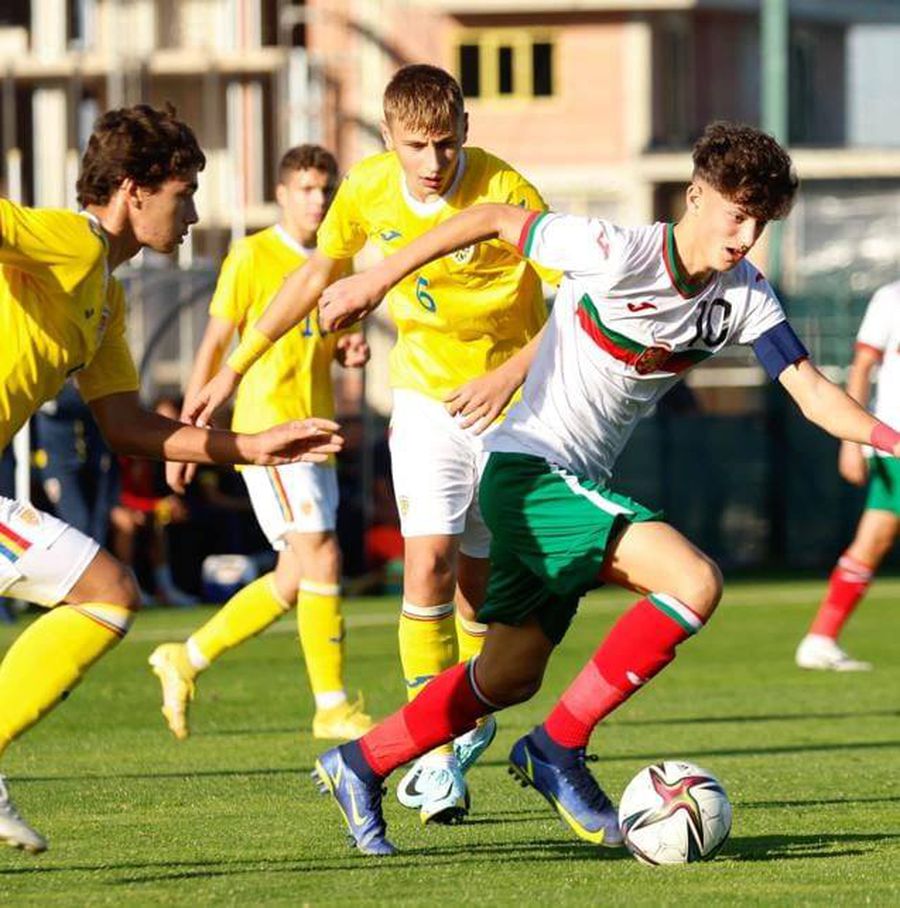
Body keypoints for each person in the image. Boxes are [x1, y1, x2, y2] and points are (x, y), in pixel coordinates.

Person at [308, 121, 900, 857]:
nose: (745, 236)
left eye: (761, 222)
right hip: (529, 473)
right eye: (736, 213)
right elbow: (490, 218)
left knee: (509, 672)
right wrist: (372, 278)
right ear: (695, 196)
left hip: (571, 484)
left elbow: (811, 392)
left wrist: (892, 441)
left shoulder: (744, 294)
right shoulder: (615, 251)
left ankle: (358, 764)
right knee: (694, 580)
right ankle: (558, 748)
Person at [186, 65, 557, 824]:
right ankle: (432, 750)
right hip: (423, 400)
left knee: (481, 595)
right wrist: (232, 370)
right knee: (426, 559)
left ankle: (471, 710)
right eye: (416, 145)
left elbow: (577, 294)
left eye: (445, 142)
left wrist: (510, 375)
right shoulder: (365, 189)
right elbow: (314, 274)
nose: (432, 161)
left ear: (465, 130)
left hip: (511, 407)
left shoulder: (509, 193)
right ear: (387, 139)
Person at [0, 104, 342, 854]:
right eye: (183, 193)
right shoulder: (68, 240)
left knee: (107, 592)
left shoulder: (106, 298)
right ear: (132, 190)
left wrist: (250, 444)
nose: (192, 213)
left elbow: (127, 427)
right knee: (105, 590)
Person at [149, 144, 373, 741]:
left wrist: (351, 348)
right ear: (281, 194)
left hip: (316, 428)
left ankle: (185, 658)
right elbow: (215, 345)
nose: (317, 200)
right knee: (323, 553)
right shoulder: (251, 256)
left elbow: (336, 339)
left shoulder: (338, 261)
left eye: (325, 189)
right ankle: (331, 707)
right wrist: (186, 439)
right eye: (305, 188)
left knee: (295, 578)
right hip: (267, 430)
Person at [795, 278, 900, 671]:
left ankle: (820, 638)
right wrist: (850, 442)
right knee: (873, 538)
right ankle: (819, 639)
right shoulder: (891, 297)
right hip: (894, 442)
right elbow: (861, 369)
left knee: (873, 539)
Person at [110, 396, 197, 607]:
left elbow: (149, 492)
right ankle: (129, 588)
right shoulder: (121, 448)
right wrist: (155, 506)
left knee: (158, 523)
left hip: (139, 506)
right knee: (127, 523)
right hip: (112, 506)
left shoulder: (155, 453)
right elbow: (116, 493)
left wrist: (161, 506)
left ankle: (165, 589)